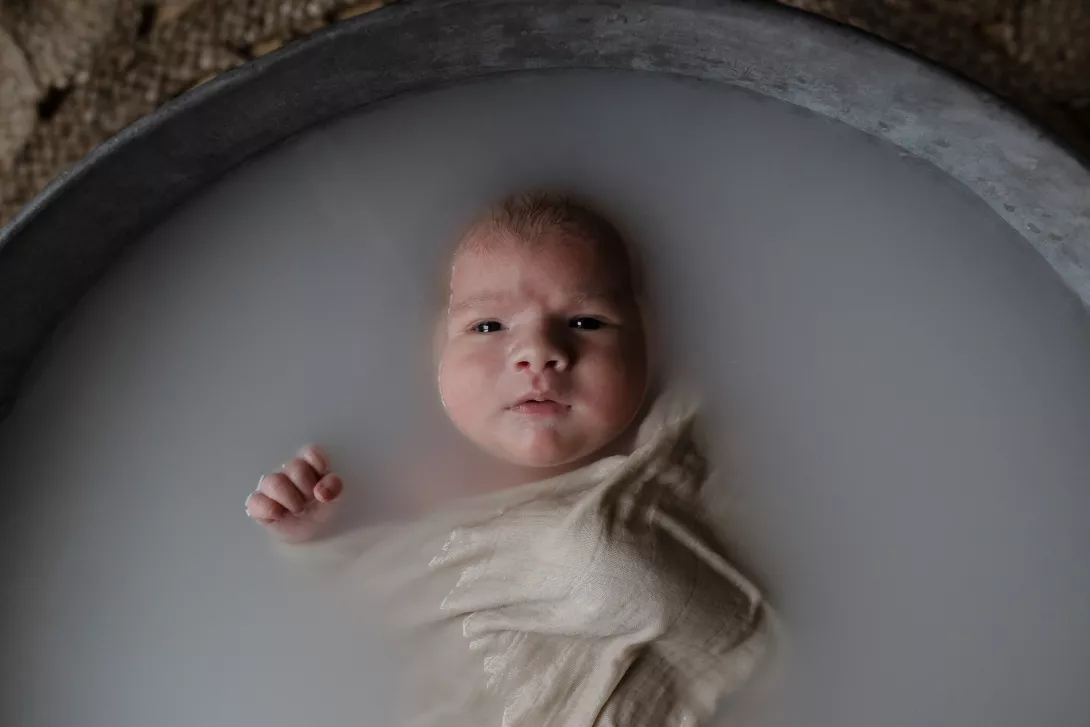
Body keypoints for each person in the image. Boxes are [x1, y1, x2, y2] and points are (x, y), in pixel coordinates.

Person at [244, 192, 778, 726]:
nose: (538, 351)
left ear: (649, 343)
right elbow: (357, 606)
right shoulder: (411, 479)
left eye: (586, 322)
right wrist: (312, 537)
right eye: (488, 327)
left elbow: (742, 615)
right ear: (433, 354)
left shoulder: (690, 460)